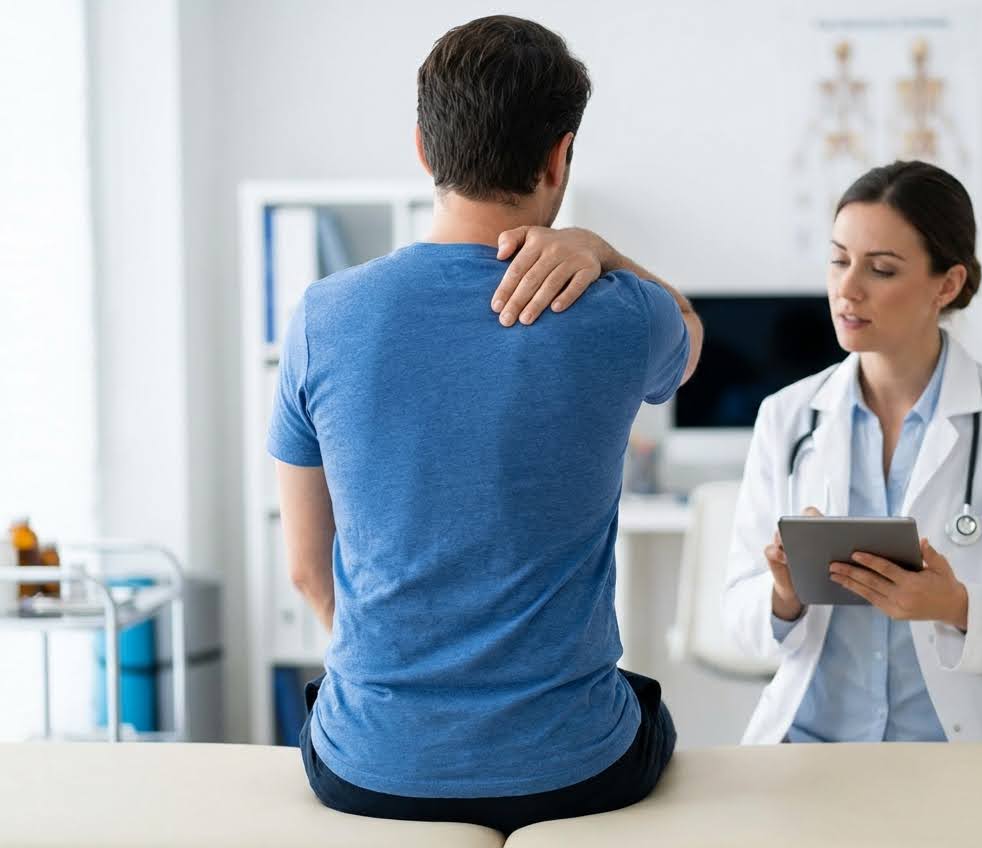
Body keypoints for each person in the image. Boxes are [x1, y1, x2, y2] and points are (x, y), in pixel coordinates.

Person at [268, 15, 702, 834]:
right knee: (643, 704)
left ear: (425, 150)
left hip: (372, 767)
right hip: (575, 769)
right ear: (559, 158)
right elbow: (691, 336)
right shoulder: (622, 313)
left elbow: (304, 571)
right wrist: (603, 250)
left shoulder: (322, 317)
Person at [724, 160, 982, 745]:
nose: (847, 288)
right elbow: (736, 618)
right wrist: (783, 594)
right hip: (815, 749)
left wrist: (957, 604)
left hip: (964, 754)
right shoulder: (789, 417)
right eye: (838, 260)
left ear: (946, 285)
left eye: (881, 269)